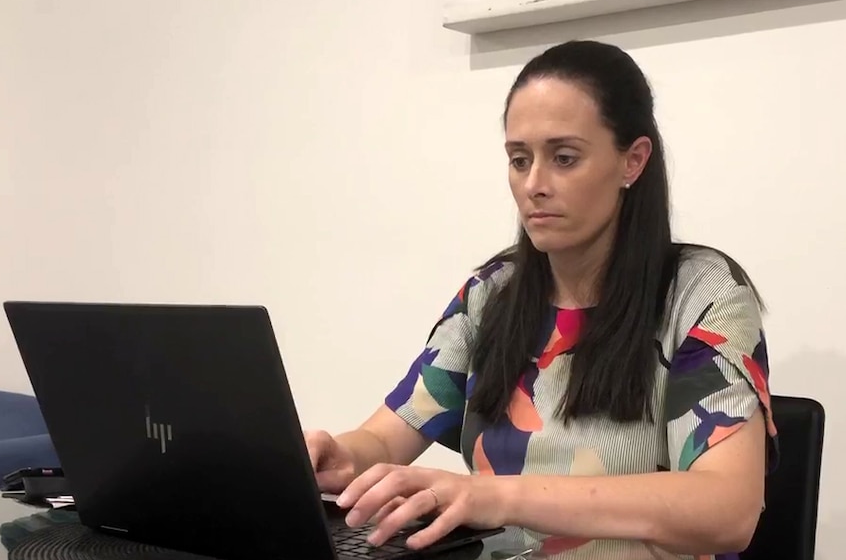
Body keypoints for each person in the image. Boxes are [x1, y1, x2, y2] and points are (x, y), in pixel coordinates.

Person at [304, 40, 778, 560]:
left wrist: (495, 495)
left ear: (632, 161)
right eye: (519, 159)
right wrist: (342, 457)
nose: (534, 185)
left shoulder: (701, 293)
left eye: (564, 158)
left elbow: (727, 509)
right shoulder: (492, 294)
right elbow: (386, 439)